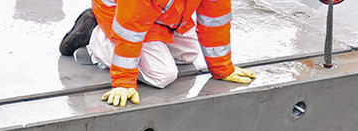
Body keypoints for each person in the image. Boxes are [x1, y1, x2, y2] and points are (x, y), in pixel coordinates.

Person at [58, 1, 258, 107]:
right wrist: (124, 82)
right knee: (162, 75)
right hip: (121, 13)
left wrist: (222, 68)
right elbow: (131, 30)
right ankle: (97, 35)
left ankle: (154, 40)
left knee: (187, 55)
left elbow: (215, 20)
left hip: (160, 14)